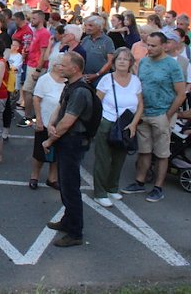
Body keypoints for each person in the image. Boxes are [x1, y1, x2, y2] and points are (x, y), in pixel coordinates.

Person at [122, 32, 185, 202]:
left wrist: (168, 115)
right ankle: (140, 181)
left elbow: (181, 94)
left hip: (162, 113)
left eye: (153, 45)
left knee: (162, 153)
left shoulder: (172, 65)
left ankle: (158, 187)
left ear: (164, 46)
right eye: (148, 45)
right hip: (144, 113)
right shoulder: (144, 62)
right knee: (144, 151)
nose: (149, 48)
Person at [43, 51, 95, 247]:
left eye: (63, 65)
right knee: (65, 185)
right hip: (66, 140)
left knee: (71, 187)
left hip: (73, 142)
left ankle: (75, 232)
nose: (59, 67)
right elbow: (60, 108)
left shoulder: (80, 91)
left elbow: (68, 121)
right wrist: (51, 123)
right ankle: (67, 220)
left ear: (74, 69)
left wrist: (49, 141)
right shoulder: (71, 86)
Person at [92, 48, 143, 207]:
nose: (122, 61)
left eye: (126, 59)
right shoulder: (107, 80)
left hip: (127, 124)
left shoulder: (135, 81)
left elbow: (141, 104)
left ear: (130, 63)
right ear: (113, 62)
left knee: (119, 158)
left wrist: (134, 123)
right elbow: (96, 104)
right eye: (119, 59)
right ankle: (100, 192)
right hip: (107, 122)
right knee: (103, 159)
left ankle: (112, 188)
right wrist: (99, 122)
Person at [29, 53, 64, 190]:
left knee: (57, 152)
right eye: (62, 64)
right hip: (44, 121)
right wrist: (38, 119)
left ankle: (52, 178)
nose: (63, 68)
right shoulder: (45, 79)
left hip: (60, 124)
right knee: (39, 152)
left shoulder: (67, 81)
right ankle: (34, 176)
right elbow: (36, 99)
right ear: (54, 65)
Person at [80, 15, 115, 84]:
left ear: (99, 27)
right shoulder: (85, 39)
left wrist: (97, 74)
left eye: (90, 25)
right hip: (84, 78)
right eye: (86, 25)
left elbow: (110, 61)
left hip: (101, 79)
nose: (87, 28)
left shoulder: (107, 41)